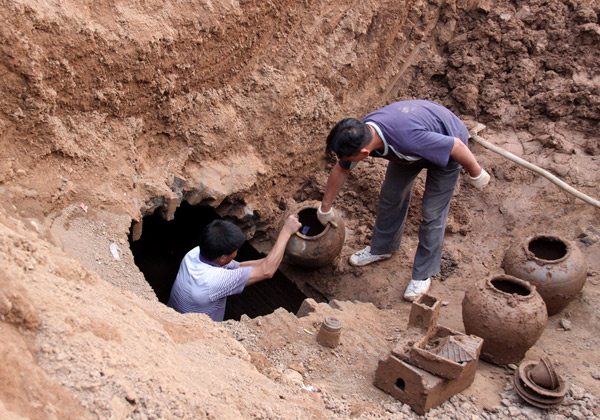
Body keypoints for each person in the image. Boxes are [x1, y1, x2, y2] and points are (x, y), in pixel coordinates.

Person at [317, 100, 490, 302]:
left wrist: (476, 173)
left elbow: (457, 146)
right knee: (391, 195)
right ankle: (383, 248)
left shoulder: (408, 139)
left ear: (364, 153)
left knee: (432, 213)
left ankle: (422, 275)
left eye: (348, 157)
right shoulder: (358, 134)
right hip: (412, 151)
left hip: (450, 145)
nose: (345, 159)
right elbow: (342, 168)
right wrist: (325, 207)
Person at [168, 215, 301, 321]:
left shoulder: (195, 253)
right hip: (198, 336)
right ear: (223, 257)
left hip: (172, 316)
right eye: (236, 250)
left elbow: (239, 267)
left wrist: (277, 258)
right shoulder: (215, 280)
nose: (237, 252)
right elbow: (266, 271)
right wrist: (286, 231)